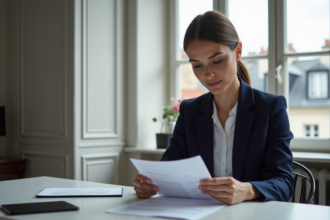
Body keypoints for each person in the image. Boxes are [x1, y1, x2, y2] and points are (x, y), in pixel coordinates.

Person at [133, 11, 294, 205]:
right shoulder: (189, 111)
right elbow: (169, 169)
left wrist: (248, 190)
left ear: (238, 51)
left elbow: (284, 182)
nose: (208, 74)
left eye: (216, 61)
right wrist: (151, 184)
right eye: (197, 66)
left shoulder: (271, 108)